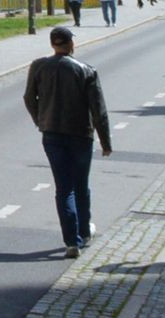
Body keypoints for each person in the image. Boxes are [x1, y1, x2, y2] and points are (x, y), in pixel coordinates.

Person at [24, 26, 113, 257]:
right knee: (81, 184)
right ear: (71, 44)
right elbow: (98, 110)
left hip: (52, 134)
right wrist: (105, 141)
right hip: (80, 133)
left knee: (64, 188)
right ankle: (84, 231)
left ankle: (71, 242)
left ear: (53, 44)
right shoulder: (86, 71)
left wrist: (40, 119)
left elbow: (28, 98)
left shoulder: (38, 66)